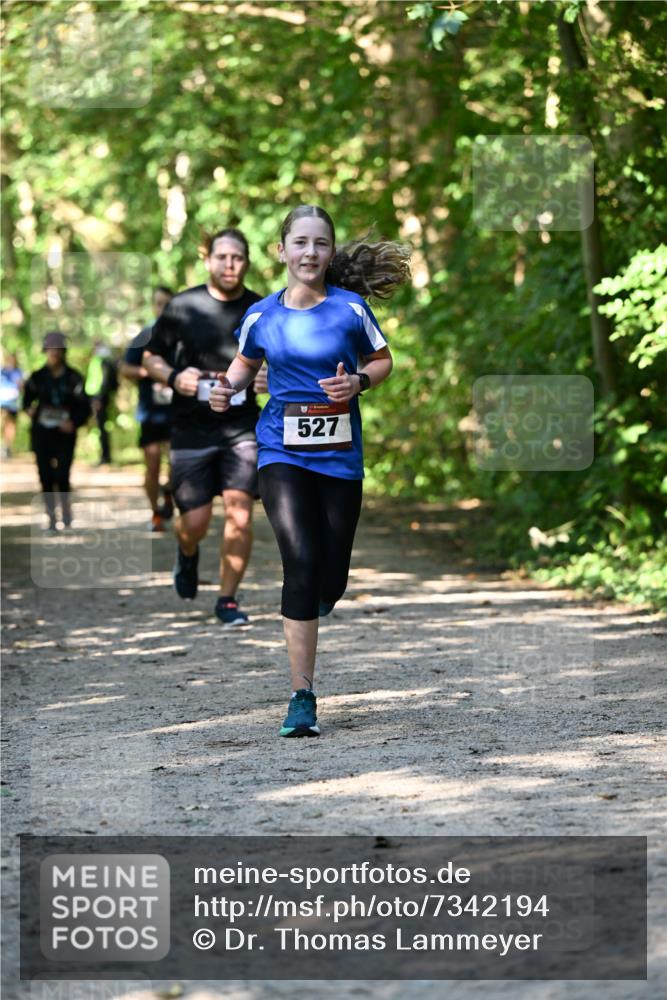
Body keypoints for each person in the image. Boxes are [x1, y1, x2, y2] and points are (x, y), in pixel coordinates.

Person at [210, 204, 410, 736]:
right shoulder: (262, 316)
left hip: (341, 459)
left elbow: (383, 360)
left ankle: (322, 592)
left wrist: (359, 384)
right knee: (298, 561)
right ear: (282, 251)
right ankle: (302, 695)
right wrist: (224, 389)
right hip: (282, 453)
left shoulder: (350, 309)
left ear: (330, 252)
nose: (309, 253)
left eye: (320, 244)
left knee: (332, 575)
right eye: (300, 243)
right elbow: (244, 365)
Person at [143, 228, 267, 627]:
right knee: (194, 523)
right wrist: (174, 377)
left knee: (240, 514)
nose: (230, 264)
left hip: (241, 427)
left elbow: (282, 359)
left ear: (247, 262)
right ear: (208, 260)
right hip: (191, 428)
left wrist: (271, 377)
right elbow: (150, 358)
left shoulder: (262, 308)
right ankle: (188, 551)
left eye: (238, 257)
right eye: (222, 257)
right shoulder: (182, 306)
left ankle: (227, 600)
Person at [23, 331, 91, 531]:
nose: (54, 354)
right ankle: (52, 518)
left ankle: (67, 513)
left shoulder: (74, 378)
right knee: (46, 477)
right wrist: (31, 411)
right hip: (42, 433)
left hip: (64, 435)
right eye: (51, 350)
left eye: (57, 350)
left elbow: (84, 407)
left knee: (62, 476)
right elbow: (26, 402)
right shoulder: (37, 377)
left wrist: (73, 422)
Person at [120, 285, 175, 532]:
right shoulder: (143, 336)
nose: (162, 308)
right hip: (151, 413)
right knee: (152, 465)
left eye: (167, 303)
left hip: (179, 413)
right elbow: (124, 369)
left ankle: (170, 496)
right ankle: (155, 513)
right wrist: (149, 371)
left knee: (177, 464)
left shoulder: (182, 335)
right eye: (159, 303)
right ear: (153, 306)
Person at [85, 340, 118, 465]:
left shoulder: (103, 361)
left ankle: (105, 456)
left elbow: (103, 381)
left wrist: (98, 398)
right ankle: (104, 455)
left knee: (102, 427)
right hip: (94, 396)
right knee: (100, 426)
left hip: (99, 398)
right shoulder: (97, 360)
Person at [0, 352, 24, 459]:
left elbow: (21, 386)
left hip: (12, 403)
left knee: (10, 425)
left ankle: (7, 447)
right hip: (2, 402)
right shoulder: (2, 371)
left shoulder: (18, 372)